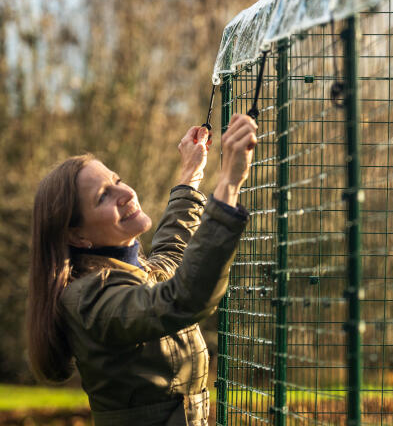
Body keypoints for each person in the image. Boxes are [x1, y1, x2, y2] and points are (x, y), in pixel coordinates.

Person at [26, 114, 258, 426]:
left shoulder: (131, 270)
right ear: (77, 235)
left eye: (117, 181)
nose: (127, 194)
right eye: (103, 196)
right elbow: (181, 299)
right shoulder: (90, 300)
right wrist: (229, 183)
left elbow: (172, 256)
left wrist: (190, 175)